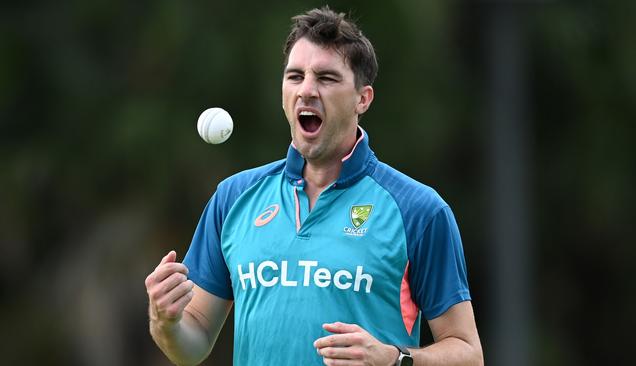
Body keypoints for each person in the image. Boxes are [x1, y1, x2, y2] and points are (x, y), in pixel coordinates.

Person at [145, 6, 483, 366]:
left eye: (326, 78)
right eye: (295, 76)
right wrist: (166, 322)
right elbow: (192, 344)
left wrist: (393, 359)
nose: (306, 89)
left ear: (362, 99)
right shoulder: (233, 198)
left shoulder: (419, 209)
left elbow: (468, 353)